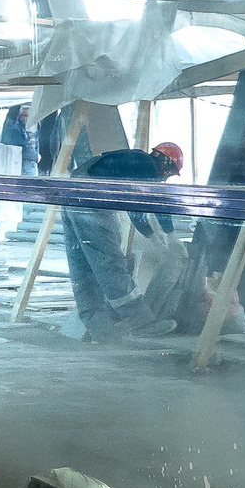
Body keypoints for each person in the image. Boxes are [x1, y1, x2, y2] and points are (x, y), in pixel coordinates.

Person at [62, 141, 186, 341]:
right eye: (169, 173)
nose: (165, 179)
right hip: (93, 201)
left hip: (71, 197)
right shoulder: (148, 166)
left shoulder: (133, 160)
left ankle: (100, 329)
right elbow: (146, 206)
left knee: (83, 267)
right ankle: (140, 322)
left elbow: (138, 205)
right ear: (165, 163)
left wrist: (155, 237)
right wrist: (169, 236)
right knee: (109, 261)